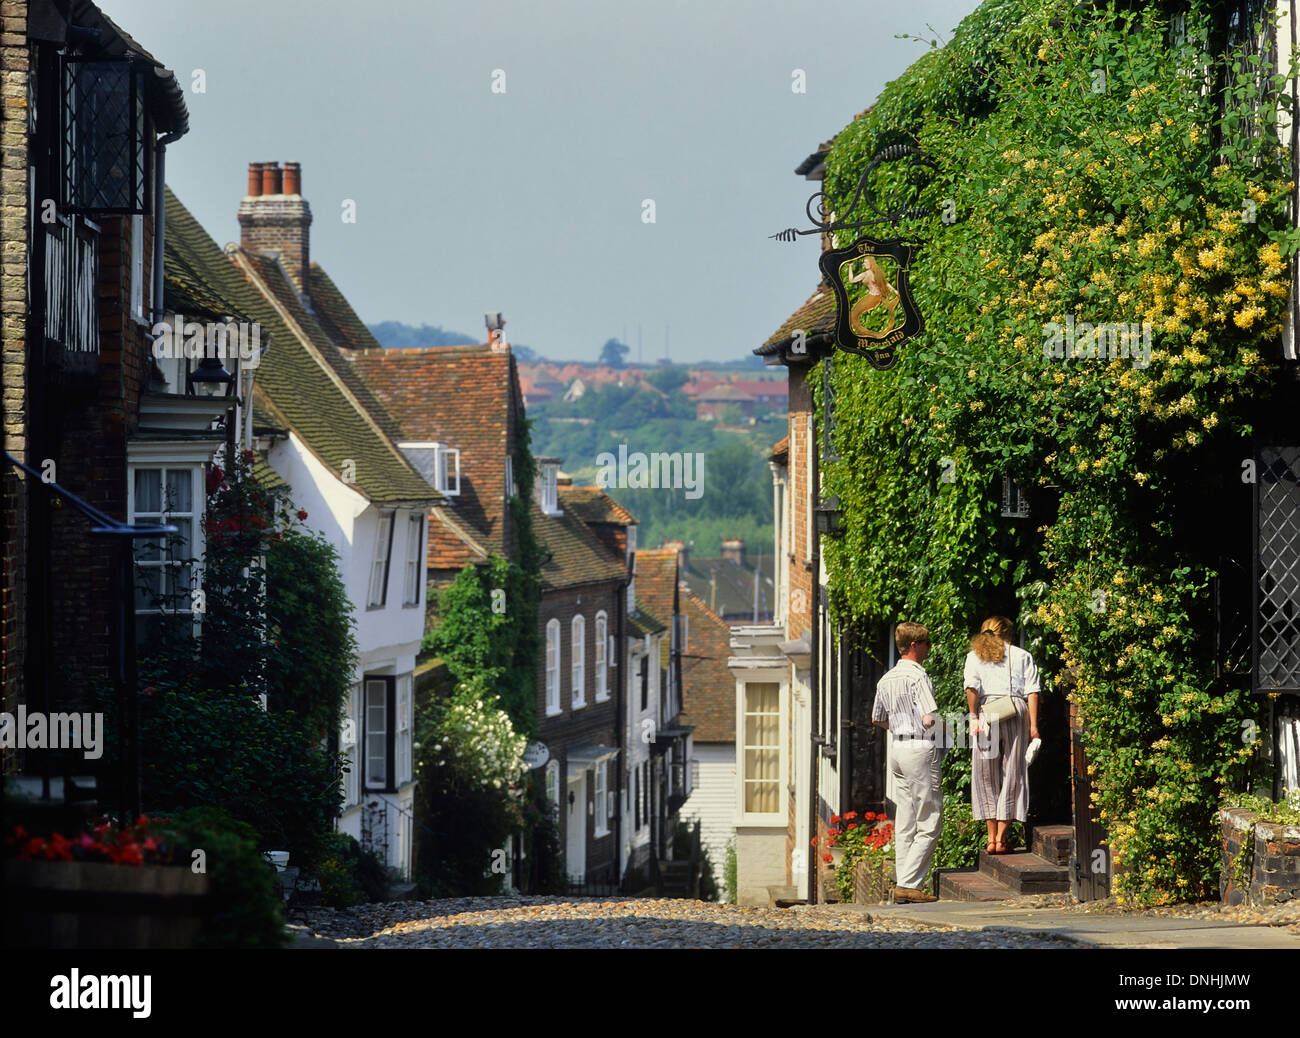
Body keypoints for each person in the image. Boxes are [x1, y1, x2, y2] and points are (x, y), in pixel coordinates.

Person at [872, 621, 943, 904]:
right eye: (925, 644)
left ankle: (904, 883)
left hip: (897, 748)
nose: (928, 649)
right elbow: (929, 717)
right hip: (918, 747)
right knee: (930, 820)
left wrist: (899, 726)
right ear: (914, 645)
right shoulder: (918, 676)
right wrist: (938, 727)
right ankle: (909, 883)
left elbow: (876, 718)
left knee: (905, 820)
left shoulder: (885, 679)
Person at [964, 616, 1040, 854]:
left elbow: (972, 688)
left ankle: (990, 839)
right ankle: (1001, 838)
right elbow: (1033, 692)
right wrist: (1034, 726)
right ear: (1008, 633)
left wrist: (973, 716)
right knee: (1013, 772)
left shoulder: (974, 656)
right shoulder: (1022, 655)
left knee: (985, 775)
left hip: (987, 712)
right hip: (1015, 709)